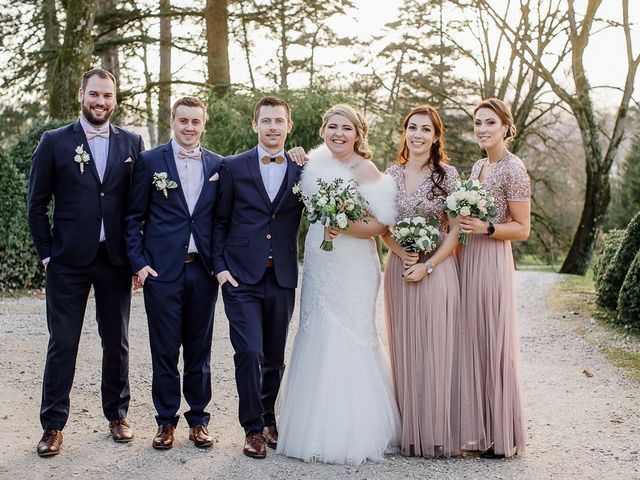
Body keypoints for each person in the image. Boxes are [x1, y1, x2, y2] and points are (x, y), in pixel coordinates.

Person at [27, 68, 144, 457]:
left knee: (118, 342)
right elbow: (36, 203)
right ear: (81, 95)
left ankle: (117, 414)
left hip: (114, 260)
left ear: (115, 99)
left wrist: (136, 256)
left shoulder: (132, 142)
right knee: (63, 343)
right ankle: (53, 425)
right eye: (95, 94)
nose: (101, 102)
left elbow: (137, 207)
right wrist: (47, 253)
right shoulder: (55, 141)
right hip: (68, 262)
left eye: (107, 96)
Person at [276, 104, 401, 465]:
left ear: (358, 134)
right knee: (316, 330)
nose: (338, 134)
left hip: (354, 264)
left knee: (351, 333)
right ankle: (310, 424)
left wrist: (345, 227)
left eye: (346, 128)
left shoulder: (366, 170)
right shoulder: (313, 161)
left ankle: (355, 429)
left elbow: (380, 225)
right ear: (322, 130)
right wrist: (294, 153)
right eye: (332, 127)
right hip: (320, 257)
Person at [125, 96, 222, 450]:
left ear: (203, 124)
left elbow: (221, 220)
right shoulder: (150, 162)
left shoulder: (218, 165)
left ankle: (198, 419)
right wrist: (139, 264)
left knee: (200, 349)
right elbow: (133, 217)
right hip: (161, 273)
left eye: (196, 121)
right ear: (173, 121)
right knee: (164, 350)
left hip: (203, 272)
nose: (190, 127)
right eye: (183, 121)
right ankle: (166, 421)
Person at [213, 96, 304, 459]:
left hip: (281, 277)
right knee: (248, 352)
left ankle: (269, 418)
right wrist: (220, 269)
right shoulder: (232, 167)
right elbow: (218, 221)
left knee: (274, 356)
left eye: (278, 121)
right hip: (240, 278)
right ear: (255, 125)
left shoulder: (303, 171)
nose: (272, 127)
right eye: (265, 121)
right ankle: (252, 428)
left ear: (288, 126)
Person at [381, 105, 461, 457]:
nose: (417, 134)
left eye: (425, 129)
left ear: (435, 135)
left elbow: (457, 231)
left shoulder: (448, 176)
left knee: (434, 347)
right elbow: (382, 228)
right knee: (404, 347)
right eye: (412, 127)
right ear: (405, 132)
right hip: (399, 270)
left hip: (436, 270)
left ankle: (435, 432)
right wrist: (401, 252)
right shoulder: (390, 174)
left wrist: (428, 266)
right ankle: (410, 431)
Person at [457, 98, 530, 458]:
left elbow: (522, 228)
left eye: (490, 123)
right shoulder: (478, 166)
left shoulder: (513, 169)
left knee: (493, 342)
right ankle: (482, 430)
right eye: (478, 123)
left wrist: (487, 228)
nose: (483, 129)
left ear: (505, 126)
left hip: (492, 260)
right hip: (469, 257)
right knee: (473, 343)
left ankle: (503, 437)